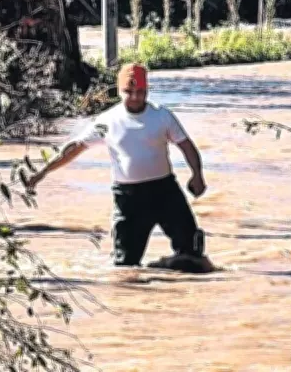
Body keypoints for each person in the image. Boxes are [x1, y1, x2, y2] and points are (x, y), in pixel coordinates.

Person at [26, 63, 209, 269]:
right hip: (129, 198)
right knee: (125, 266)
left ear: (147, 91)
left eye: (140, 92)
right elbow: (74, 147)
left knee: (192, 254)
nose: (135, 97)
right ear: (120, 91)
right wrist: (43, 172)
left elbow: (187, 146)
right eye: (129, 92)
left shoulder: (161, 116)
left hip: (165, 191)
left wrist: (197, 175)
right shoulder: (108, 120)